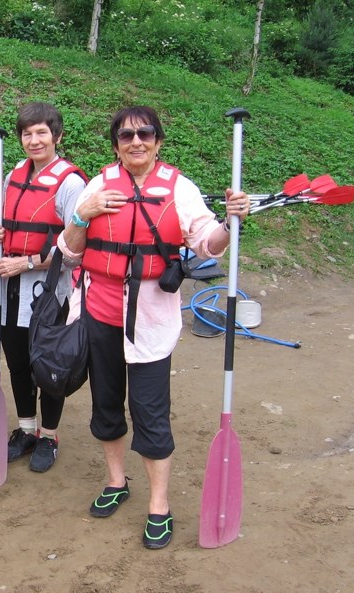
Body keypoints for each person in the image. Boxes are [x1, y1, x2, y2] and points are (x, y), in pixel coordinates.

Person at [58, 105, 250, 549]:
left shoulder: (179, 189)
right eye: (126, 136)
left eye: (145, 134)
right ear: (116, 146)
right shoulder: (99, 185)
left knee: (149, 412)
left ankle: (159, 505)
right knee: (106, 405)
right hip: (98, 311)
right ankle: (116, 481)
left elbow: (207, 243)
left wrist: (228, 222)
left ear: (158, 141)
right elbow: (69, 251)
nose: (136, 141)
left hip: (150, 320)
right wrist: (83, 214)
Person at [0, 101, 87, 473]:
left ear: (57, 136)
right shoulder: (13, 175)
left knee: (49, 365)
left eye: (41, 132)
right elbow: (5, 225)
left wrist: (25, 262)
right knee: (17, 365)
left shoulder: (71, 183)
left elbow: (75, 246)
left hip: (47, 291)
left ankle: (49, 435)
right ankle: (26, 429)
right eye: (27, 133)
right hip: (8, 288)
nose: (34, 139)